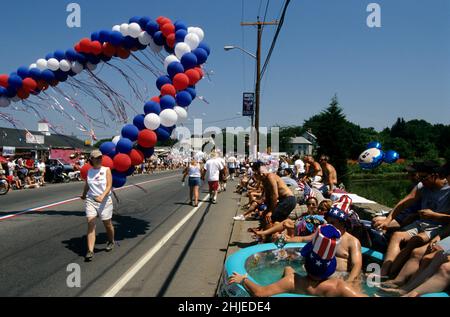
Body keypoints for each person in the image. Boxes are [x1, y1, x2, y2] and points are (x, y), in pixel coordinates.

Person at [229, 225, 365, 297]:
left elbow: (259, 293)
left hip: (296, 286)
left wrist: (243, 279)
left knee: (288, 270)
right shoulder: (339, 287)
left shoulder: (292, 281)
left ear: (306, 263)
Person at [380, 161, 450, 277]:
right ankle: (383, 272)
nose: (420, 180)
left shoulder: (448, 190)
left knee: (415, 240)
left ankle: (392, 274)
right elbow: (404, 203)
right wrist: (387, 221)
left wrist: (434, 215)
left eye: (424, 177)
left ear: (435, 176)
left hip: (439, 226)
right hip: (421, 223)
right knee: (396, 236)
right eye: (420, 177)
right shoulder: (422, 186)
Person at [80, 150, 115, 262]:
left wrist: (102, 196)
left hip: (104, 201)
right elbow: (87, 184)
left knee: (107, 224)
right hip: (91, 200)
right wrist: (84, 195)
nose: (99, 159)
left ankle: (111, 241)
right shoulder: (89, 171)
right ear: (91, 160)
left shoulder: (106, 170)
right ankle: (90, 251)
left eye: (100, 157)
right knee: (91, 223)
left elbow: (109, 185)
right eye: (96, 158)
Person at [253, 162, 297, 227]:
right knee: (265, 216)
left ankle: (267, 234)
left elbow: (275, 195)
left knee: (271, 218)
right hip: (283, 200)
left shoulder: (270, 176)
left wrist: (271, 211)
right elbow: (267, 197)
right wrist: (267, 210)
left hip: (288, 200)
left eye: (256, 173)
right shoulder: (264, 180)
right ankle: (265, 232)